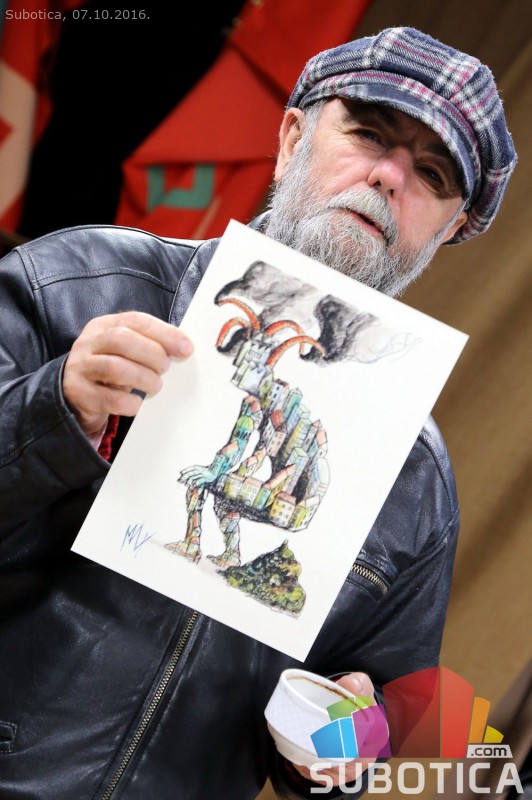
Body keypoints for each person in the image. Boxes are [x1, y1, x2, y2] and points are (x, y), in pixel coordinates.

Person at [0, 26, 516, 800]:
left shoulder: (415, 479)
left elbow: (386, 711)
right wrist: (57, 406)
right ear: (291, 139)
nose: (388, 176)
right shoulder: (77, 283)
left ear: (448, 231)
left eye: (433, 174)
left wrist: (347, 740)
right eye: (369, 133)